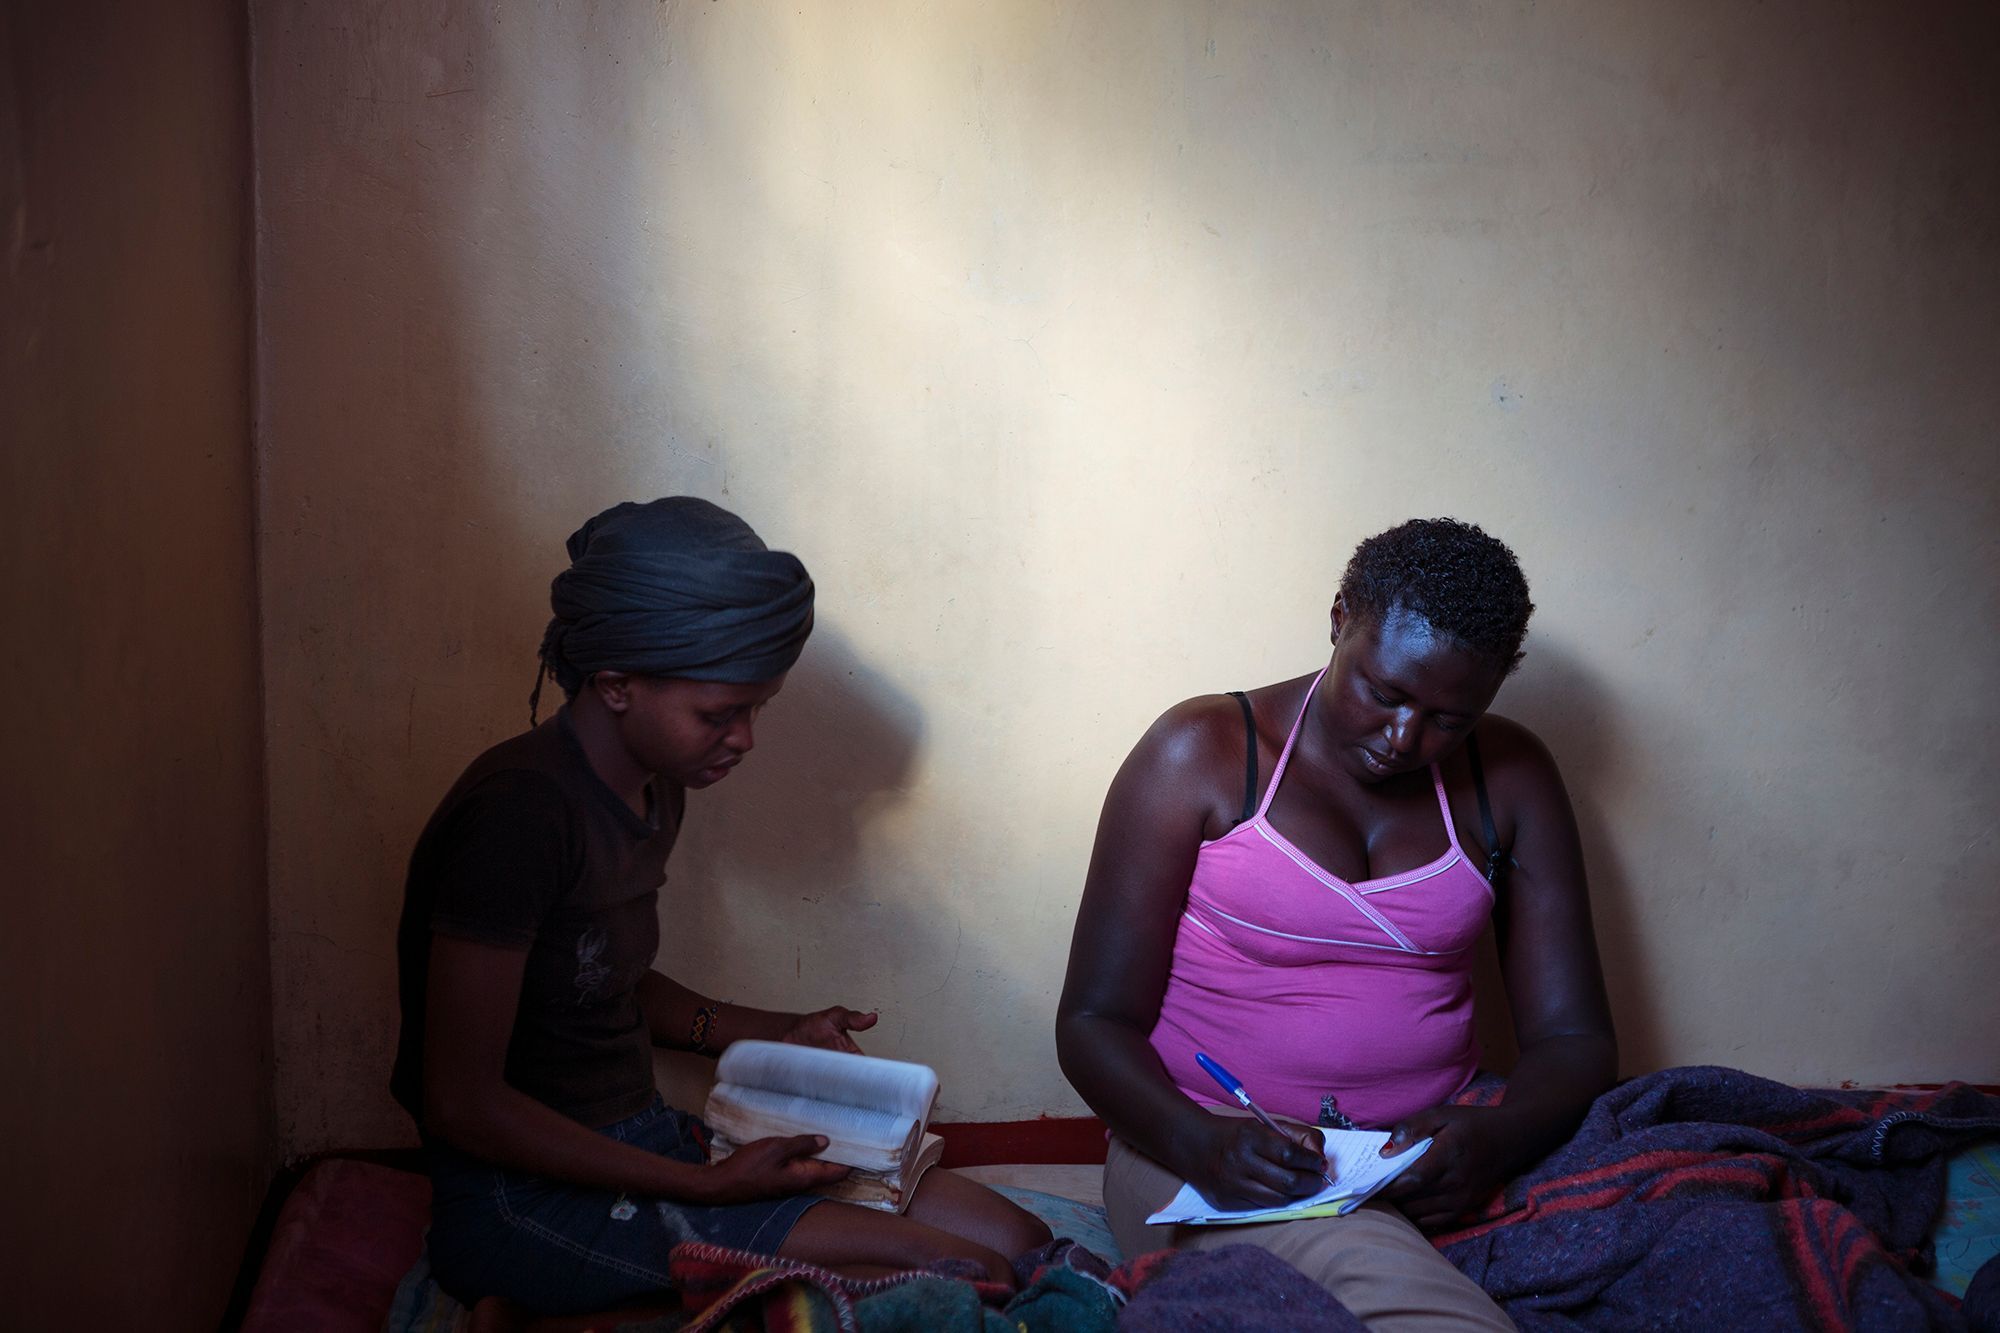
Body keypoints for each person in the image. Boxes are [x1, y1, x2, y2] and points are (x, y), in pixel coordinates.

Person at [393, 497, 1048, 1316]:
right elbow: (461, 1102)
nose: (745, 738)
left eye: (755, 708)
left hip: (643, 1143)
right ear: (616, 684)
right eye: (720, 713)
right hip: (522, 1199)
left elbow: (601, 979)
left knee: (1020, 1242)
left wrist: (778, 1031)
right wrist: (703, 1185)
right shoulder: (518, 815)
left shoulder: (655, 787)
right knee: (960, 1270)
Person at [1056, 517, 1617, 1330]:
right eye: (1384, 694)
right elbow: (1091, 1022)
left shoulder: (1512, 777)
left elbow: (1574, 1038)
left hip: (1428, 1153)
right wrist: (1202, 1144)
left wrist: (1497, 1138)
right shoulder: (1204, 754)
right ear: (1338, 619)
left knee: (1690, 1220)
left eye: (1450, 719)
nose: (1405, 737)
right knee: (1399, 1291)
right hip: (1208, 1148)